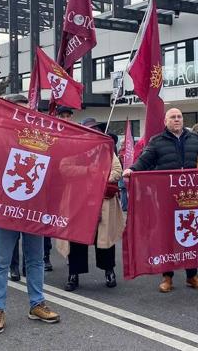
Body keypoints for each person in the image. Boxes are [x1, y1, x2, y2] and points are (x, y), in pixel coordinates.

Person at [123, 108, 198, 292]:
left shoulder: (193, 138)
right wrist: (132, 170)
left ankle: (192, 276)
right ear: (166, 121)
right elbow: (145, 160)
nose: (177, 119)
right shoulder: (157, 141)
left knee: (192, 238)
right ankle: (167, 277)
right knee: (167, 236)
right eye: (173, 117)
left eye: (179, 116)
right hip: (166, 197)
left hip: (190, 197)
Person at [0, 93, 60, 335]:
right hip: (6, 208)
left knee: (35, 260)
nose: (20, 116)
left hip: (34, 208)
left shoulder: (39, 136)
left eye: (24, 111)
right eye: (15, 111)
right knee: (0, 262)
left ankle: (37, 304)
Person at [63, 117, 124, 292]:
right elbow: (64, 167)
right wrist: (88, 171)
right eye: (90, 129)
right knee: (77, 239)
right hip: (79, 201)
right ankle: (73, 274)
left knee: (104, 239)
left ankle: (109, 271)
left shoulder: (107, 150)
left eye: (96, 129)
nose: (94, 132)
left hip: (102, 200)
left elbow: (117, 170)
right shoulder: (74, 149)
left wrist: (101, 178)